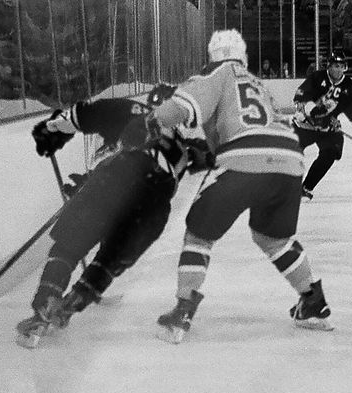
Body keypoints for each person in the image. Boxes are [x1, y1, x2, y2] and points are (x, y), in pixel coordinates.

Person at [149, 28, 334, 343]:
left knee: (199, 233)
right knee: (274, 239)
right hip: (289, 161)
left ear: (213, 55)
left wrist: (151, 121)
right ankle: (313, 303)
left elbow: (180, 109)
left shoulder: (218, 73)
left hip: (244, 159)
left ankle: (182, 311)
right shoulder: (258, 84)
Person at [16, 86, 214, 349]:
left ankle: (45, 305)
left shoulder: (132, 109)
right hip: (155, 206)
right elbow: (209, 158)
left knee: (69, 245)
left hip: (117, 176)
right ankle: (75, 301)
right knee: (108, 261)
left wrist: (51, 129)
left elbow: (80, 116)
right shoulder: (185, 143)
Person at [292, 49, 352, 200]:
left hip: (327, 127)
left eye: (341, 66)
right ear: (328, 66)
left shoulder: (350, 87)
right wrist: (314, 112)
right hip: (304, 125)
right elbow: (299, 98)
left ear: (345, 67)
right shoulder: (317, 77)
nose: (338, 69)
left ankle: (306, 187)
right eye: (335, 65)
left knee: (331, 152)